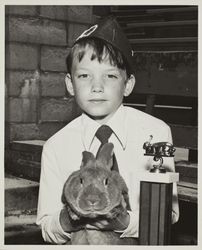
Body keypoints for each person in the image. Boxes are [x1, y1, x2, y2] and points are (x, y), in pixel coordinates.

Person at [36, 16, 179, 244]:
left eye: (110, 76)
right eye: (84, 75)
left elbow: (168, 215)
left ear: (128, 84)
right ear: (70, 84)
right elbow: (47, 226)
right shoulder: (56, 145)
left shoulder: (156, 133)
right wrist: (70, 217)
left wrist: (123, 222)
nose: (97, 87)